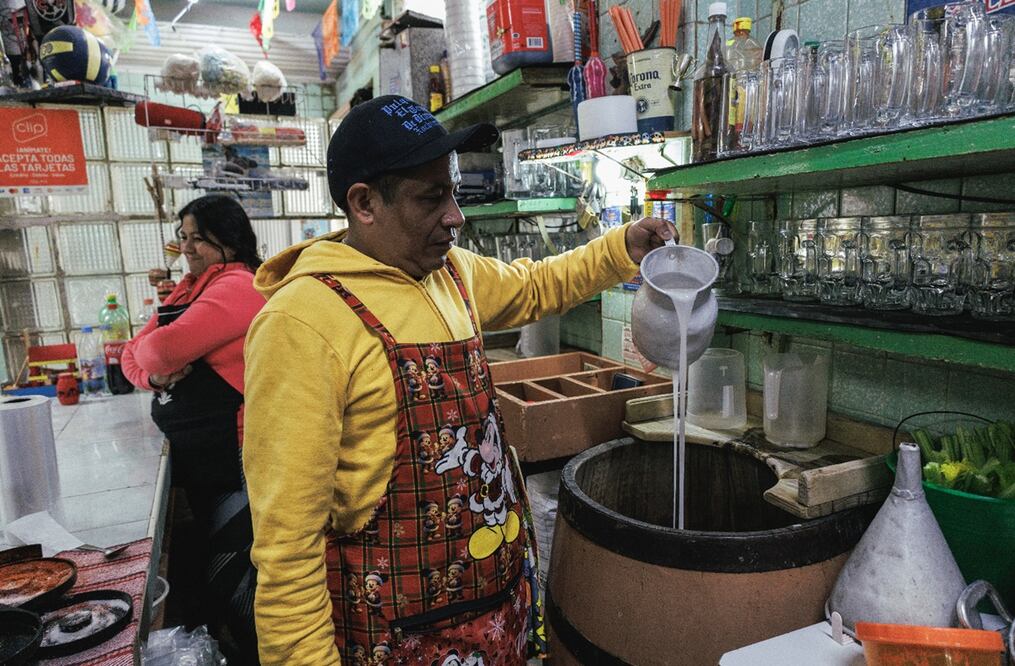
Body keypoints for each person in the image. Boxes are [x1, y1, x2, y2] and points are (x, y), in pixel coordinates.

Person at [242, 95, 676, 665]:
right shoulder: (301, 323)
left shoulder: (450, 274)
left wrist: (622, 249)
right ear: (364, 203)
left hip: (496, 609)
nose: (456, 215)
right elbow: (287, 551)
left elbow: (535, 285)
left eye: (451, 191)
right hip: (398, 638)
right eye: (432, 198)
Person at [122, 194, 265, 663]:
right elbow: (133, 355)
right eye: (183, 237)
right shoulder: (190, 289)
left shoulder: (238, 285)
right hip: (205, 459)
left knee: (236, 576)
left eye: (200, 238)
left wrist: (156, 362)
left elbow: (159, 349)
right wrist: (155, 375)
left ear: (229, 239)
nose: (188, 247)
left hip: (238, 460)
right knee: (220, 569)